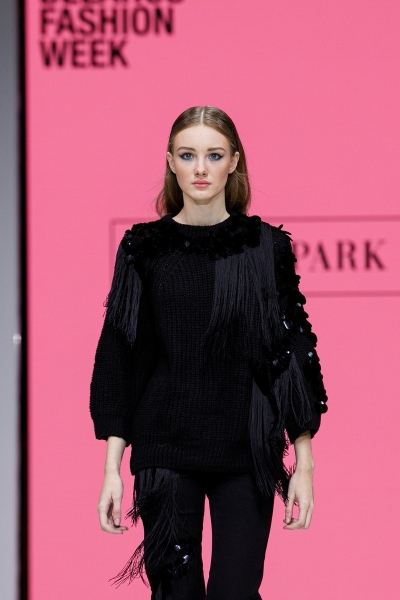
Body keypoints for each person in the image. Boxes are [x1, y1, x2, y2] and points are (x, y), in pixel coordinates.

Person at [89, 105, 328, 600]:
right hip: (164, 448)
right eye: (187, 155)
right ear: (170, 162)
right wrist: (112, 468)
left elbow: (290, 350)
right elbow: (120, 356)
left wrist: (303, 462)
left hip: (247, 449)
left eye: (214, 155)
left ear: (234, 161)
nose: (200, 168)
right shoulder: (143, 248)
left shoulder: (265, 248)